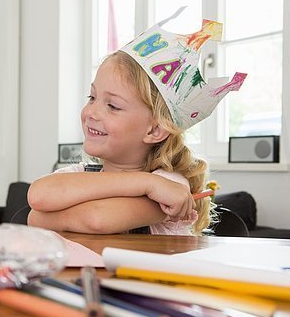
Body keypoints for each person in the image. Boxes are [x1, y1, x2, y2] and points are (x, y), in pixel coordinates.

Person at [28, 12, 246, 235]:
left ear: (155, 129)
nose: (91, 112)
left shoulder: (171, 184)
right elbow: (36, 199)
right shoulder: (154, 186)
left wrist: (49, 215)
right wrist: (146, 185)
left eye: (113, 106)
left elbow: (97, 219)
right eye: (92, 97)